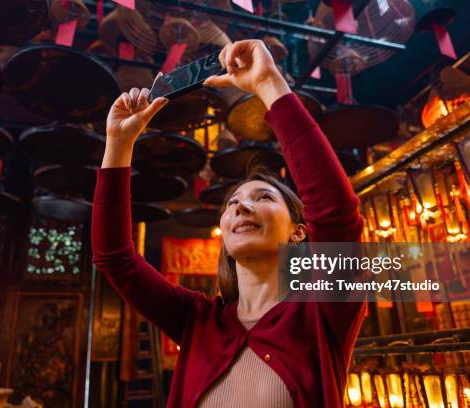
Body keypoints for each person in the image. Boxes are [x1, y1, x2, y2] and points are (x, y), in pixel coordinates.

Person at [91, 39, 366, 407]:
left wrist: (270, 85)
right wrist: (118, 143)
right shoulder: (198, 321)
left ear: (299, 231)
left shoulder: (321, 312)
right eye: (233, 203)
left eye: (263, 198)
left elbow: (336, 214)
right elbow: (115, 258)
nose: (241, 207)